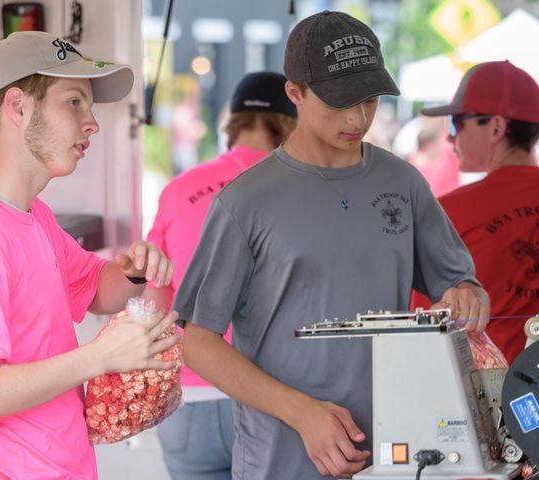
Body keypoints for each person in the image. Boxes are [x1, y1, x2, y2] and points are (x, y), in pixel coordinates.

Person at [172, 11, 490, 479]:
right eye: (339, 102)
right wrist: (301, 413)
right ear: (295, 93)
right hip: (280, 461)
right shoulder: (245, 202)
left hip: (397, 455)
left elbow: (462, 285)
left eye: (369, 100)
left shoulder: (403, 182)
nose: (358, 117)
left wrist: (468, 294)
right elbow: (198, 342)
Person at [0, 31, 180, 479]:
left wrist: (131, 272)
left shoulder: (32, 215)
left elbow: (93, 291)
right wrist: (100, 356)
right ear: (18, 107)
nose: (92, 122)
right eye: (74, 101)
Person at [143, 71, 297, 479]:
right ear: (290, 124)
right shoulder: (301, 191)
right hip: (272, 398)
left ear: (234, 124)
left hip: (188, 400)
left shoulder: (179, 189)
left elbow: (157, 302)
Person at [419, 60, 539, 365]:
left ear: (496, 126)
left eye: (456, 123)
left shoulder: (451, 213)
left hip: (492, 402)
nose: (449, 137)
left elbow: (422, 328)